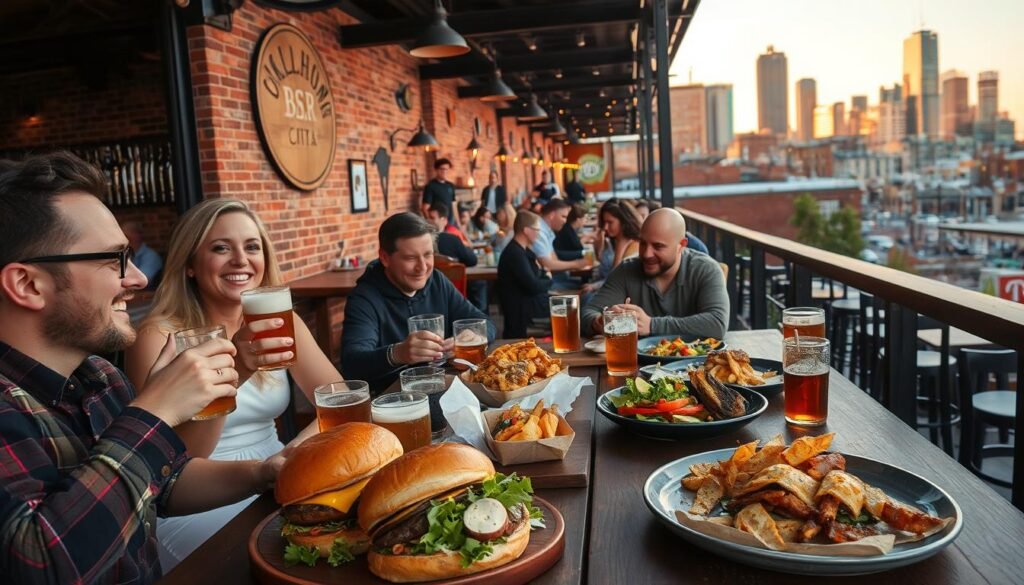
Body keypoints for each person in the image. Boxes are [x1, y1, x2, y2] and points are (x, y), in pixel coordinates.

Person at [0, 152, 282, 584]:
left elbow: (161, 485)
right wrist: (152, 413)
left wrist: (264, 472)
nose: (137, 279)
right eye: (115, 259)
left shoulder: (99, 375)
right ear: (28, 284)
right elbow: (41, 563)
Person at [125, 198, 341, 569]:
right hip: (196, 501)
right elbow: (175, 462)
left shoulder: (278, 321)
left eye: (252, 247)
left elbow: (339, 399)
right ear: (190, 265)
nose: (241, 260)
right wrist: (238, 367)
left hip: (275, 480)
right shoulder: (158, 337)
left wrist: (290, 456)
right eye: (221, 247)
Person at [341, 213, 495, 392]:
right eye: (410, 258)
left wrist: (470, 336)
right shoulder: (365, 298)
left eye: (428, 255)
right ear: (384, 258)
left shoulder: (437, 281)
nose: (422, 267)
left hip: (443, 388)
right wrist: (397, 354)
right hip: (392, 400)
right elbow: (352, 364)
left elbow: (486, 323)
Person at [582, 208, 728, 339]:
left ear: (681, 245)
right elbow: (587, 313)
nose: (646, 254)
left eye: (658, 246)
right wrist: (600, 322)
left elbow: (717, 324)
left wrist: (652, 325)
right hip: (636, 364)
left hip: (694, 364)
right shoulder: (626, 270)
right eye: (643, 243)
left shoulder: (706, 269)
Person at [496, 211, 552, 339]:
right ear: (526, 230)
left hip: (524, 304)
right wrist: (548, 279)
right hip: (519, 309)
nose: (539, 233)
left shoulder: (521, 250)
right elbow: (533, 286)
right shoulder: (515, 253)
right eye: (537, 229)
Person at [427, 202, 487, 311]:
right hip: (455, 293)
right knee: (480, 282)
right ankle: (480, 317)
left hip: (429, 294)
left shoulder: (418, 243)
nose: (429, 220)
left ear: (444, 219)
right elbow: (472, 260)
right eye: (428, 218)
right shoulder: (451, 239)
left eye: (432, 218)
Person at [581, 199, 643, 298]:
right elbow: (601, 267)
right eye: (604, 222)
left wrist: (620, 249)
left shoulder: (636, 245)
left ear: (623, 221)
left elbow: (615, 281)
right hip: (604, 287)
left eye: (610, 222)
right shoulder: (612, 240)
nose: (605, 227)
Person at [529, 198, 589, 281]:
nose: (565, 221)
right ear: (552, 215)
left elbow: (554, 259)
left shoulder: (547, 230)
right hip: (544, 283)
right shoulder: (538, 231)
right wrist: (577, 264)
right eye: (563, 217)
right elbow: (547, 265)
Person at [420, 158, 456, 223]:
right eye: (442, 169)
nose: (444, 171)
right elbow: (425, 208)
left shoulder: (451, 185)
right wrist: (432, 223)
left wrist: (458, 223)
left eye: (447, 169)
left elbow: (454, 205)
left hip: (450, 222)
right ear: (436, 170)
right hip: (439, 223)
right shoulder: (430, 186)